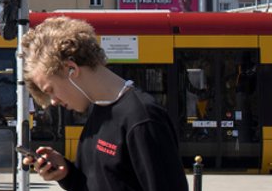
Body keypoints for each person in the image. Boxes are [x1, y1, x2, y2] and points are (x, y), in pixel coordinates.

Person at [20, 16, 187, 191]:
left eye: (50, 89)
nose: (53, 101)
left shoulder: (142, 118)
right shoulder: (98, 109)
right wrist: (67, 174)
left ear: (71, 69)